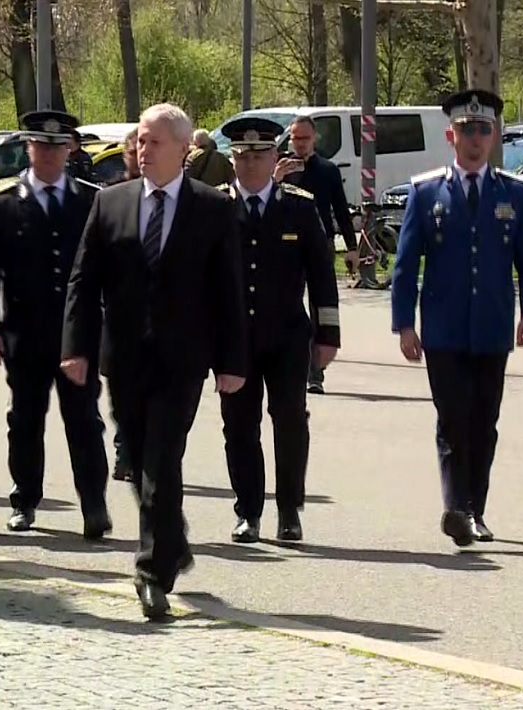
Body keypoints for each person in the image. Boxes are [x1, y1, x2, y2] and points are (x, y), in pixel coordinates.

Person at [61, 103, 248, 620]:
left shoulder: (211, 208)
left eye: (156, 142)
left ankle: (151, 571)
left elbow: (228, 290)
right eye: (140, 141)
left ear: (184, 149)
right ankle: (174, 542)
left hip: (183, 360)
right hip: (124, 359)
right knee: (143, 462)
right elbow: (83, 280)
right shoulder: (111, 203)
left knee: (163, 459)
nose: (144, 150)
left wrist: (232, 362)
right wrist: (74, 347)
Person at [391, 89, 523, 547]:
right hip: (443, 329)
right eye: (466, 130)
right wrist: (404, 324)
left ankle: (476, 507)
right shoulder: (425, 192)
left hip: (493, 327)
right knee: (452, 418)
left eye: (483, 130)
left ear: (494, 135)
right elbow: (405, 264)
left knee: (484, 421)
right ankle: (457, 507)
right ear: (450, 135)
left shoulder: (514, 194)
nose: (474, 139)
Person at [0, 110, 110, 539]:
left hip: (77, 335)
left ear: (70, 149)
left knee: (84, 421)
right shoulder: (2, 204)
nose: (50, 153)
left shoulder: (91, 201)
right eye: (41, 145)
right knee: (25, 420)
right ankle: (24, 499)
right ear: (28, 147)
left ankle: (94, 504)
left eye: (58, 146)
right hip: (25, 332)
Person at [215, 117, 340, 544]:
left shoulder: (299, 207)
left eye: (260, 155)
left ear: (275, 159)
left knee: (290, 423)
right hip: (234, 341)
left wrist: (327, 337)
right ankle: (247, 510)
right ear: (232, 159)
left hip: (287, 337)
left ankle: (289, 510)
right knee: (239, 427)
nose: (251, 164)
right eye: (243, 156)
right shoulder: (215, 208)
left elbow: (323, 276)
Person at [274, 115, 359, 395]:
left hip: (320, 245)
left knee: (321, 309)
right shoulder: (279, 165)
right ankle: (290, 366)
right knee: (289, 307)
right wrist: (276, 178)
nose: (299, 144)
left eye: (304, 138)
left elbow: (341, 210)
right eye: (295, 138)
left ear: (314, 139)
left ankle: (316, 372)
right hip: (286, 247)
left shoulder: (327, 170)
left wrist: (351, 247)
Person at [107, 127, 140, 481]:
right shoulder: (111, 195)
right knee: (124, 401)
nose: (139, 159)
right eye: (132, 153)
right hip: (120, 315)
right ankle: (124, 453)